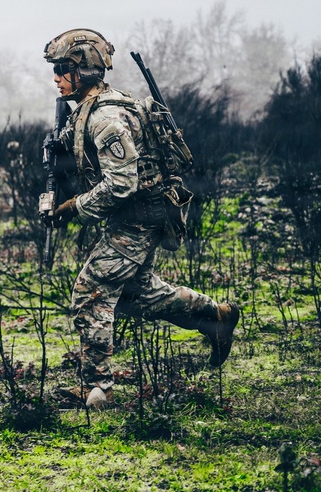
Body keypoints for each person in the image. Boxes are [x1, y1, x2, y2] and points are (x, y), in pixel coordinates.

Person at [42, 28, 239, 409]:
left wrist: (74, 208)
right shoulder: (90, 109)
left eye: (62, 69)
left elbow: (120, 183)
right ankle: (216, 316)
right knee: (138, 294)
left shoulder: (107, 118)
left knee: (91, 289)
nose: (55, 77)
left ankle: (97, 388)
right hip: (135, 215)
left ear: (83, 70)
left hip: (138, 215)